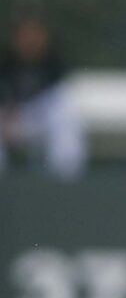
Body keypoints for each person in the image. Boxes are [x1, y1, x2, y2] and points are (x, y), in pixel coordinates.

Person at [0, 11, 86, 180]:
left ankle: (66, 183)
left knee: (66, 115)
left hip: (43, 117)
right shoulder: (6, 62)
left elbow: (57, 100)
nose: (30, 39)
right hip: (11, 119)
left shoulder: (54, 63)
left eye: (35, 33)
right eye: (25, 34)